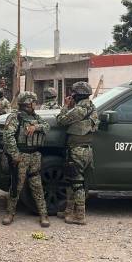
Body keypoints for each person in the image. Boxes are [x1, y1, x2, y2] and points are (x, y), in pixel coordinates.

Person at [1, 91, 51, 227]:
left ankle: (43, 214)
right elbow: (8, 137)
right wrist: (15, 154)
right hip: (21, 156)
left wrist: (36, 127)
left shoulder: (36, 117)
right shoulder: (15, 118)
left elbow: (47, 127)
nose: (35, 104)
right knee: (16, 185)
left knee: (37, 185)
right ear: (28, 103)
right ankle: (10, 213)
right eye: (33, 102)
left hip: (34, 155)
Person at [56, 82, 99, 225]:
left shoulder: (79, 110)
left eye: (73, 94)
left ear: (77, 95)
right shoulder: (92, 107)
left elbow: (61, 121)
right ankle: (69, 210)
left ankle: (80, 216)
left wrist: (65, 106)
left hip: (77, 150)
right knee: (70, 181)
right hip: (86, 150)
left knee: (77, 183)